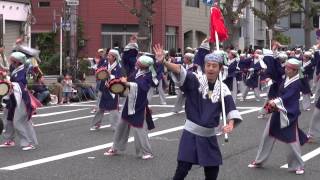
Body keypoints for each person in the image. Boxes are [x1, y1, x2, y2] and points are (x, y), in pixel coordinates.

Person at [153, 44, 242, 180]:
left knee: (212, 171)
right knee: (182, 169)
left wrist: (230, 124)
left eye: (214, 66)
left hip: (209, 136)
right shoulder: (195, 80)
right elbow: (179, 70)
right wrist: (164, 61)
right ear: (204, 66)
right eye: (208, 65)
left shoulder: (223, 88)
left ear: (220, 69)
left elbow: (230, 108)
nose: (211, 68)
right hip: (191, 134)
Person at [248, 58, 308, 175]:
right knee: (267, 135)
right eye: (286, 67)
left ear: (296, 70)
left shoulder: (297, 82)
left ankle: (298, 165)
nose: (286, 70)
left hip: (288, 113)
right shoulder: (286, 77)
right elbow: (275, 71)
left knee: (291, 140)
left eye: (289, 68)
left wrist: (276, 102)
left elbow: (289, 96)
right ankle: (259, 160)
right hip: (278, 110)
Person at [104, 55, 155, 160]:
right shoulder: (137, 72)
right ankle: (115, 147)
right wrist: (117, 82)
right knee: (121, 125)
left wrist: (126, 83)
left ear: (144, 65)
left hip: (139, 105)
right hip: (129, 103)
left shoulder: (148, 75)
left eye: (139, 61)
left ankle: (146, 152)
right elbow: (128, 79)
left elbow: (141, 87)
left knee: (139, 128)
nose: (137, 62)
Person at [0, 52, 38, 150]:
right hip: (12, 97)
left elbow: (23, 84)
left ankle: (28, 142)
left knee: (19, 121)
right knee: (8, 119)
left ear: (17, 61)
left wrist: (11, 83)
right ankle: (9, 140)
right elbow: (6, 70)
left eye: (12, 60)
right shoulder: (14, 68)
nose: (10, 61)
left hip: (21, 98)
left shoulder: (25, 71)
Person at [90, 49, 121, 131]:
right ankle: (96, 124)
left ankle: (117, 126)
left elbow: (119, 78)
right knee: (101, 107)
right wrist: (98, 73)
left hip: (113, 90)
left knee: (113, 109)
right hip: (104, 88)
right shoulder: (105, 63)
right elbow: (99, 71)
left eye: (110, 55)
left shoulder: (118, 66)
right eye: (108, 55)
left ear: (114, 57)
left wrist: (110, 77)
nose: (108, 56)